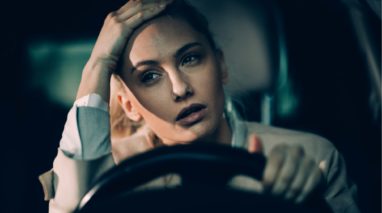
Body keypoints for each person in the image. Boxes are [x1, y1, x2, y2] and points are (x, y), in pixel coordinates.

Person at [38, 0, 360, 212]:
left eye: (190, 59)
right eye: (149, 76)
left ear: (220, 65)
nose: (180, 89)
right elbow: (68, 207)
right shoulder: (109, 174)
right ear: (128, 105)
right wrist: (97, 64)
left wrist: (306, 201)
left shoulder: (313, 159)